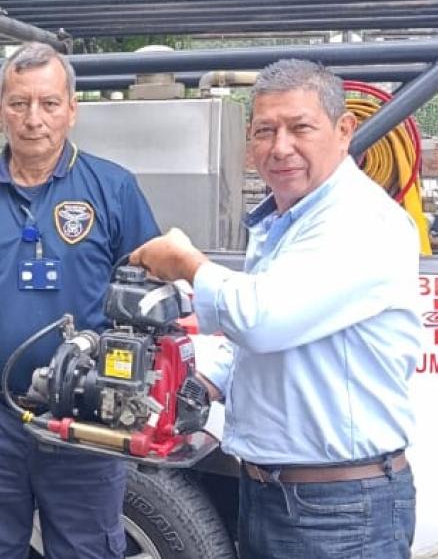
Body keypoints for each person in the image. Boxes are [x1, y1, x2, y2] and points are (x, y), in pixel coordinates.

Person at [130, 59, 421, 559]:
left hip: (339, 512)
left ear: (343, 129)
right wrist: (206, 379)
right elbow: (263, 339)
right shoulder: (286, 221)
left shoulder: (359, 221)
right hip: (273, 494)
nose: (280, 147)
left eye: (300, 127)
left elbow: (264, 320)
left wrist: (186, 263)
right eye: (265, 131)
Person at [0, 42, 161, 558]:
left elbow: (149, 292)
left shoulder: (112, 189)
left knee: (86, 548)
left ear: (72, 109)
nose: (33, 119)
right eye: (19, 104)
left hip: (84, 418)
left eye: (48, 103)